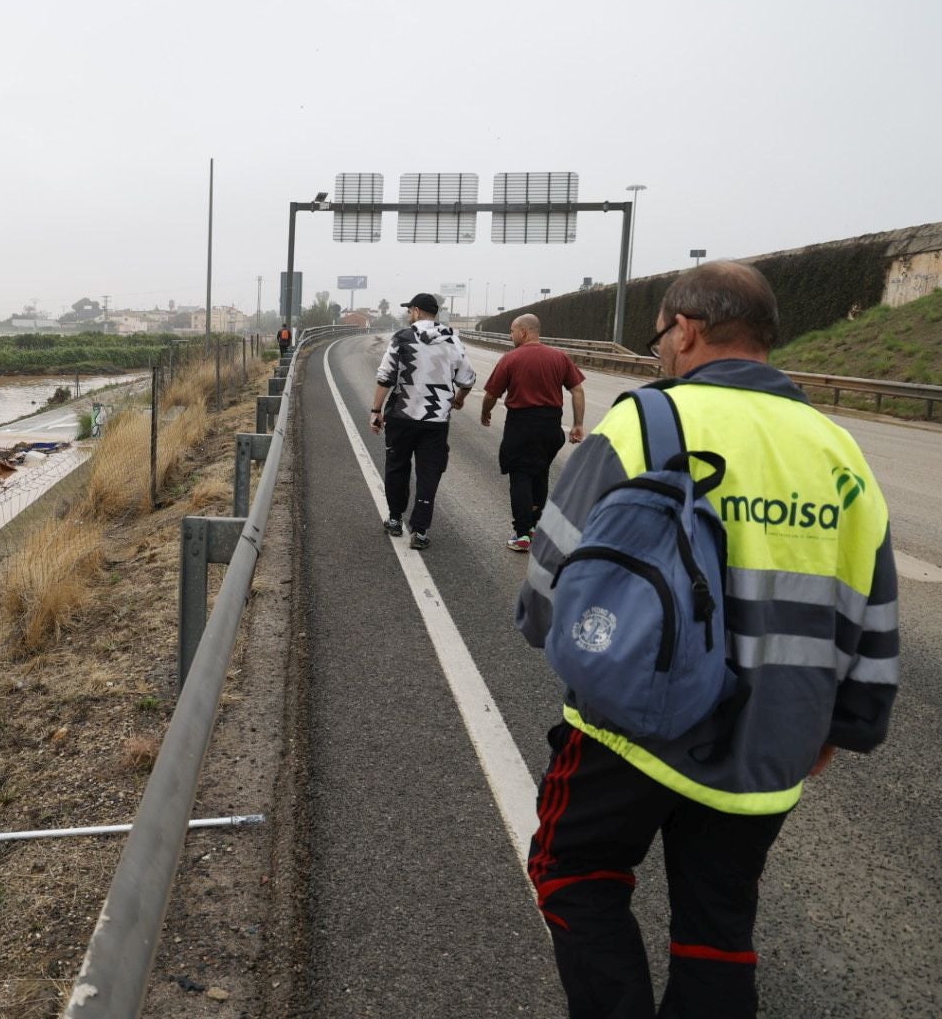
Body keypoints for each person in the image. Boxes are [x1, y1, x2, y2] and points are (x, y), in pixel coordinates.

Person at [516, 262, 899, 1018]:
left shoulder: (649, 422)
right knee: (718, 929)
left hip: (631, 729)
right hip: (772, 738)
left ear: (686, 328)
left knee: (573, 872)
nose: (661, 349)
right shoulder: (837, 450)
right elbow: (875, 606)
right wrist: (843, 725)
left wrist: (548, 635)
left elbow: (552, 571)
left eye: (661, 334)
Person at [370, 293, 476, 550]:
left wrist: (376, 410)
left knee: (397, 467)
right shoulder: (452, 339)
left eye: (409, 311)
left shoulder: (403, 338)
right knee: (429, 472)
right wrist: (458, 399)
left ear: (417, 311)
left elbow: (386, 377)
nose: (408, 315)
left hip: (402, 417)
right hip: (436, 420)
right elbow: (468, 378)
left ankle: (395, 519)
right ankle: (421, 531)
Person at [479, 314, 586, 552]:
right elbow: (577, 390)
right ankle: (535, 527)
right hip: (551, 426)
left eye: (512, 331)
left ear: (524, 332)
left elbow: (491, 395)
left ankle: (521, 534)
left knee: (520, 476)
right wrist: (578, 423)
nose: (510, 335)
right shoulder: (560, 357)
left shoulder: (511, 359)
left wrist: (485, 413)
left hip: (522, 425)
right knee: (540, 472)